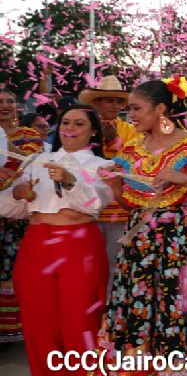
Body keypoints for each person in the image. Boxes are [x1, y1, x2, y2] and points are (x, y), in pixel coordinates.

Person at [86, 78, 187, 376]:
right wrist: (118, 188)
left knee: (180, 319)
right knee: (138, 319)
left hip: (182, 246)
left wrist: (185, 179)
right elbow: (130, 206)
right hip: (138, 248)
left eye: (137, 108)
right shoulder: (131, 149)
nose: (131, 115)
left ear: (161, 109)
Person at [0, 105, 114, 376]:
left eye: (79, 123)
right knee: (40, 336)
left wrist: (69, 180)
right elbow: (11, 208)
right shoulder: (36, 161)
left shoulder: (103, 165)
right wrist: (17, 194)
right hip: (36, 248)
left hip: (79, 249)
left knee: (82, 331)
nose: (71, 128)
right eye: (65, 122)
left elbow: (94, 204)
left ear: (92, 131)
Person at [78, 75, 138, 275]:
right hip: (88, 209)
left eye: (118, 101)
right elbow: (81, 161)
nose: (115, 105)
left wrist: (111, 142)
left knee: (115, 265)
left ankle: (111, 305)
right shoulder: (84, 127)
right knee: (88, 267)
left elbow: (131, 164)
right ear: (96, 103)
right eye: (109, 100)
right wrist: (102, 141)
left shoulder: (131, 130)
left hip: (119, 210)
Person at [0, 88, 42, 345]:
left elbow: (30, 164)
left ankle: (12, 330)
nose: (6, 105)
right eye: (0, 102)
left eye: (10, 101)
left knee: (12, 269)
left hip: (15, 214)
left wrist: (4, 141)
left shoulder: (28, 135)